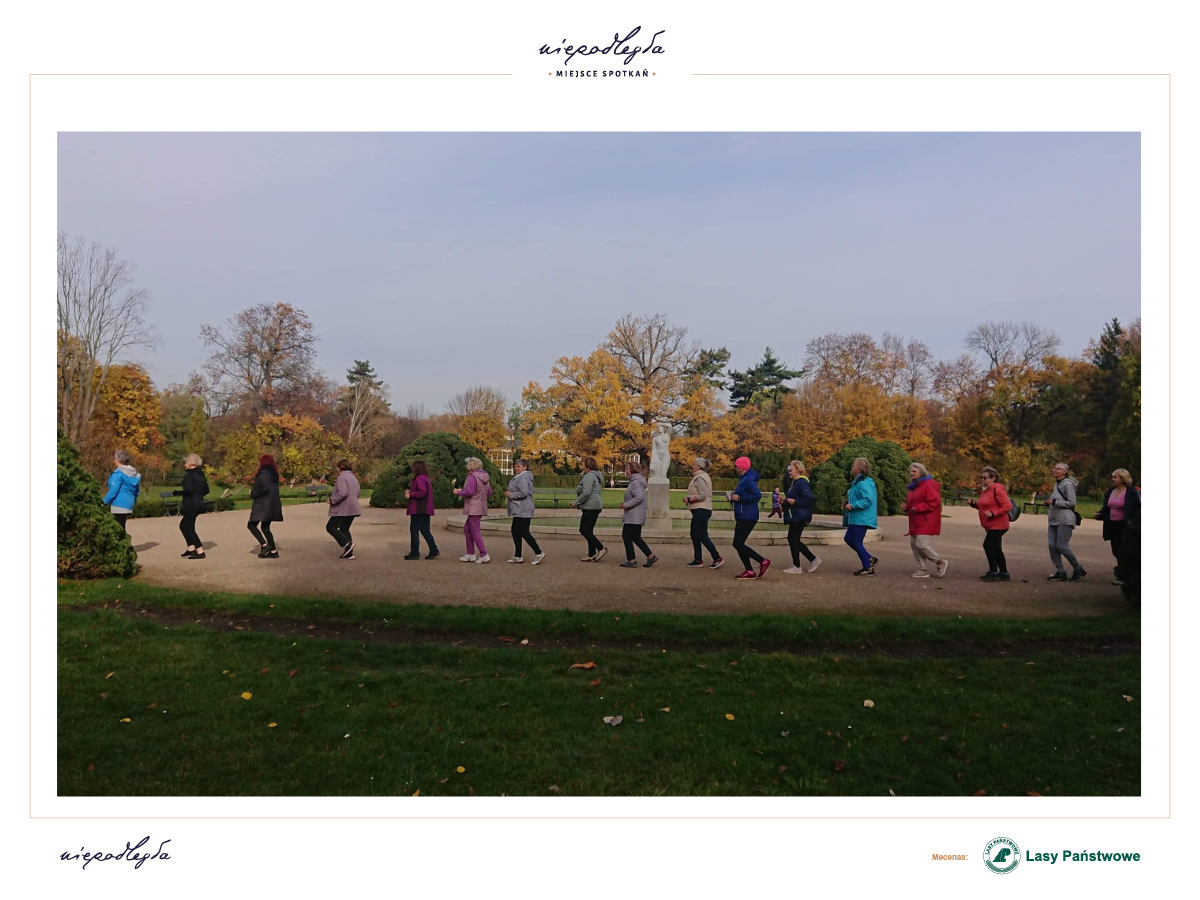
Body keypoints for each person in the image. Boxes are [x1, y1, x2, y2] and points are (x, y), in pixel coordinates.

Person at [902, 462, 948, 578]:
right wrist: (907, 508)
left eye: (914, 471)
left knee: (922, 544)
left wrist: (918, 508)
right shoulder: (913, 486)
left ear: (921, 472)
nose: (911, 473)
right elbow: (914, 504)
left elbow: (934, 502)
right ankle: (922, 569)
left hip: (927, 519)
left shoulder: (929, 484)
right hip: (915, 520)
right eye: (911, 471)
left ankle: (940, 562)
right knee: (914, 544)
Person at [1096, 468, 1139, 585]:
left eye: (1115, 477)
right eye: (1112, 477)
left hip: (1125, 526)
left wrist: (1134, 522)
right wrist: (1100, 514)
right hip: (1112, 525)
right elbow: (1107, 507)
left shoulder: (1131, 492)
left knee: (1124, 551)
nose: (1112, 479)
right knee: (1116, 551)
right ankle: (1123, 574)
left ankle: (1125, 576)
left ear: (1123, 478)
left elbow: (1138, 508)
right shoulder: (1111, 491)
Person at [730, 456, 770, 579]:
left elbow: (757, 495)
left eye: (736, 466)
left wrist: (740, 498)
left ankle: (763, 561)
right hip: (744, 514)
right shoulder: (745, 478)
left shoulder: (748, 479)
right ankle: (749, 571)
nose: (735, 468)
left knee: (737, 543)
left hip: (748, 515)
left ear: (741, 467)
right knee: (739, 543)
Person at [970, 465, 1013, 581]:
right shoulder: (985, 490)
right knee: (997, 548)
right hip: (990, 524)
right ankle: (1004, 573)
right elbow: (983, 506)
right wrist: (974, 504)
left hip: (998, 524)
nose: (982, 480)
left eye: (985, 478)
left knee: (988, 545)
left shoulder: (997, 489)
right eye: (981, 477)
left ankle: (993, 571)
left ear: (993, 478)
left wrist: (994, 513)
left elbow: (1008, 506)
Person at [1046, 462, 1086, 582]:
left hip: (1065, 519)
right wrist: (1050, 502)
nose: (1054, 470)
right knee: (1052, 545)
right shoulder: (1056, 484)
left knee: (1062, 546)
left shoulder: (1068, 484)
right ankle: (1060, 571)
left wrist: (1055, 502)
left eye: (1058, 469)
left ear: (1064, 472)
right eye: (1054, 468)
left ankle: (1078, 569)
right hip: (1054, 519)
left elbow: (1072, 502)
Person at [682, 457, 722, 569]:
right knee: (695, 534)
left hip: (702, 510)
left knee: (701, 535)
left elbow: (702, 495)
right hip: (700, 510)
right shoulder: (699, 477)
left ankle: (717, 557)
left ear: (699, 466)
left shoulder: (700, 478)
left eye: (694, 464)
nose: (692, 466)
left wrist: (689, 499)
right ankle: (698, 559)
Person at [782, 460, 821, 574]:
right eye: (789, 469)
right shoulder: (796, 482)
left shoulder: (801, 482)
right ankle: (812, 560)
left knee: (793, 539)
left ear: (798, 470)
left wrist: (795, 502)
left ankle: (797, 566)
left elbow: (809, 499)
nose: (789, 472)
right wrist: (785, 502)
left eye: (791, 470)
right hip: (797, 515)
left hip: (800, 515)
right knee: (793, 539)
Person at [842, 457, 878, 576]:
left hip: (862, 518)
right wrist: (848, 502)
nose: (852, 467)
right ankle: (869, 559)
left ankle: (868, 567)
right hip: (857, 517)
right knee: (849, 539)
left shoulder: (863, 483)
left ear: (860, 468)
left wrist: (853, 505)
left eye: (854, 465)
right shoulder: (858, 482)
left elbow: (868, 499)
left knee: (855, 541)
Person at [619, 461, 658, 568]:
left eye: (627, 469)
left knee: (626, 535)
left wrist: (626, 505)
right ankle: (650, 556)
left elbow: (639, 497)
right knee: (635, 537)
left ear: (632, 470)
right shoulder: (637, 481)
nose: (626, 471)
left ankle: (632, 560)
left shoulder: (635, 482)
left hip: (633, 515)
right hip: (636, 515)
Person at [505, 458, 545, 564]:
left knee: (523, 531)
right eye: (515, 466)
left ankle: (538, 552)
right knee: (515, 530)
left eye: (519, 466)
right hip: (519, 508)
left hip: (523, 508)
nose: (516, 468)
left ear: (525, 467)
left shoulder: (523, 477)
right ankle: (518, 555)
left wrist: (511, 495)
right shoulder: (520, 476)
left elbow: (524, 492)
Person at [453, 457, 492, 564]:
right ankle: (470, 553)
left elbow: (469, 492)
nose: (467, 466)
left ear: (472, 466)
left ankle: (483, 554)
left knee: (474, 531)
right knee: (467, 529)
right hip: (480, 506)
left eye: (468, 464)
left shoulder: (472, 477)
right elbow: (489, 492)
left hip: (473, 507)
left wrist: (459, 492)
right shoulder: (485, 477)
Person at [570, 457, 607, 562]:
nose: (582, 467)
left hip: (590, 506)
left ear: (587, 466)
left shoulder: (589, 476)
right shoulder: (597, 475)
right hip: (595, 505)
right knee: (589, 530)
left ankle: (600, 548)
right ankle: (592, 554)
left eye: (583, 464)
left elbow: (586, 492)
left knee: (584, 529)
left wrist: (576, 502)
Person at [173, 453, 209, 559]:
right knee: (185, 525)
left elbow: (188, 490)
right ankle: (191, 548)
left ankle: (200, 551)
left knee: (187, 527)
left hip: (190, 504)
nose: (184, 465)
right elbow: (206, 490)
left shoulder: (189, 475)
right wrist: (199, 496)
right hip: (199, 503)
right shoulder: (200, 475)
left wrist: (176, 493)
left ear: (190, 463)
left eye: (185, 463)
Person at [247, 454, 283, 558]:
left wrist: (252, 493)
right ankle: (273, 551)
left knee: (251, 525)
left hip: (263, 504)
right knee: (265, 527)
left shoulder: (263, 474)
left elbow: (264, 487)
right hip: (272, 504)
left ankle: (265, 544)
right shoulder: (274, 475)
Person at [403, 459, 440, 560]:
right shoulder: (426, 478)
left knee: (414, 530)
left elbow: (422, 492)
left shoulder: (419, 479)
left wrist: (411, 494)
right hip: (425, 508)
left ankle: (414, 552)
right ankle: (433, 549)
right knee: (425, 530)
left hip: (418, 508)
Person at [327, 458, 361, 560]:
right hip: (353, 508)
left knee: (330, 527)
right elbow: (357, 493)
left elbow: (343, 492)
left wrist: (332, 500)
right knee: (344, 529)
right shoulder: (353, 478)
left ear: (340, 467)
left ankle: (347, 545)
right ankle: (349, 553)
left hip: (343, 509)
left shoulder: (342, 478)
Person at [102, 449, 141, 533]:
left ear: (118, 460)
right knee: (122, 525)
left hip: (118, 503)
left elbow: (114, 490)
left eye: (115, 458)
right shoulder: (133, 474)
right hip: (128, 503)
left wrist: (104, 501)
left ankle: (122, 544)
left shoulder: (118, 474)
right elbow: (137, 491)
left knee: (118, 528)